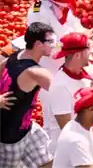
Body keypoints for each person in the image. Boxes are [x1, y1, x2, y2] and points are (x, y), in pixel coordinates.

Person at [0, 23, 54, 168]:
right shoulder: (35, 72)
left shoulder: (15, 55)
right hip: (9, 137)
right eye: (50, 42)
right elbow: (61, 90)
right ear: (38, 44)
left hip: (28, 128)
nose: (54, 45)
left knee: (48, 162)